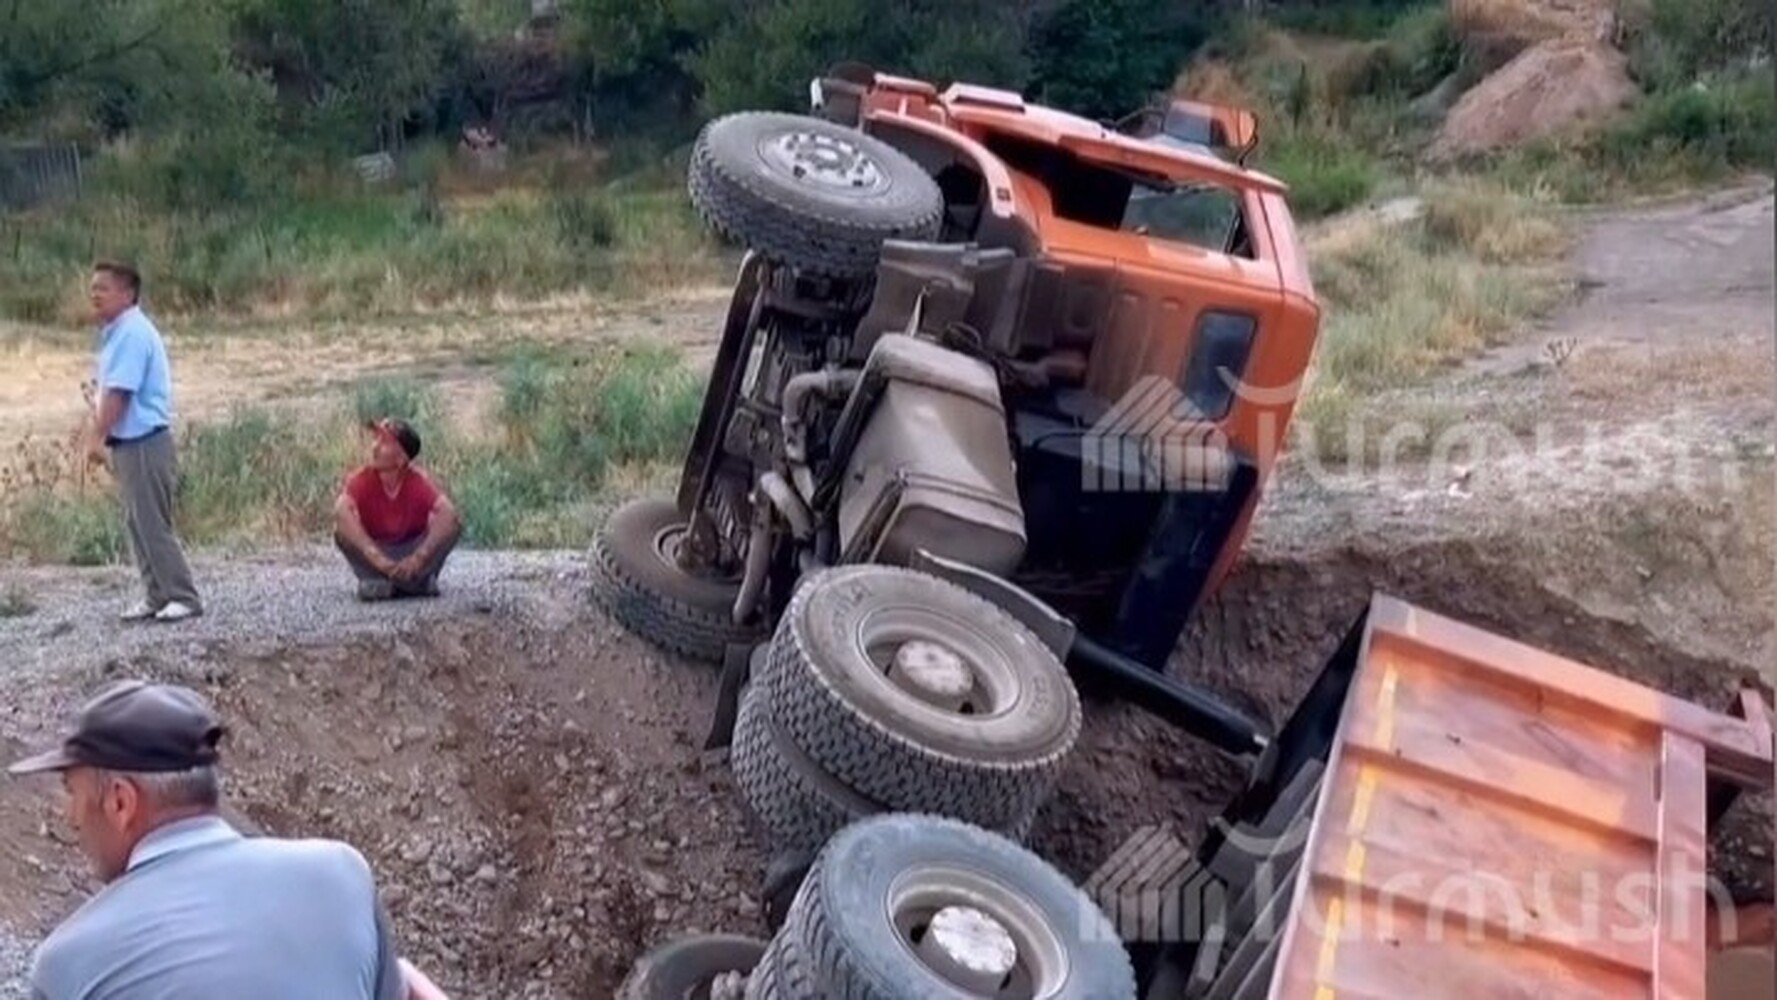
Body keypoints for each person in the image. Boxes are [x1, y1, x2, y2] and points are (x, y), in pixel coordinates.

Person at [6, 679, 445, 999]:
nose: (70, 816)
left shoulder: (69, 961)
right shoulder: (342, 873)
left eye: (72, 792)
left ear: (120, 802)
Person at [82, 260, 202, 623]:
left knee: (152, 522)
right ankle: (155, 594)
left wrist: (95, 437)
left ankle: (183, 595)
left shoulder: (133, 333)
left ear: (127, 293)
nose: (95, 295)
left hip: (145, 443)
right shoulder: (118, 333)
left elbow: (119, 394)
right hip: (130, 444)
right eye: (93, 288)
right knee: (136, 521)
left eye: (103, 288)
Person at [333, 418, 461, 601]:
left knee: (452, 528)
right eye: (375, 439)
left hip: (411, 550)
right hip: (378, 552)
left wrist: (418, 557)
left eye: (384, 442)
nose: (374, 447)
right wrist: (376, 556)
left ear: (402, 459)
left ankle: (387, 584)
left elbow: (448, 513)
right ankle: (415, 584)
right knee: (342, 533)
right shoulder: (362, 479)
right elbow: (341, 509)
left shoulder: (417, 480)